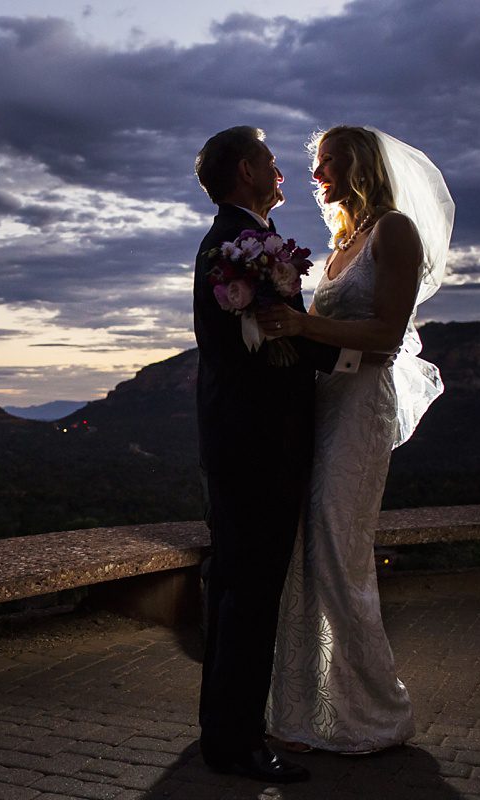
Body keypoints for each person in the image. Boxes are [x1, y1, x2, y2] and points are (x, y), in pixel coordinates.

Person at [259, 125, 454, 754]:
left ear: (359, 165)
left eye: (328, 163)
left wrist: (299, 321)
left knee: (340, 548)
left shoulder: (393, 231)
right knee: (310, 545)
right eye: (316, 164)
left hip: (363, 405)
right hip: (326, 403)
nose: (317, 175)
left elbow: (387, 334)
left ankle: (376, 711)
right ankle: (315, 705)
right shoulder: (346, 240)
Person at [192, 126, 363, 783]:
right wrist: (362, 356)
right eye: (269, 161)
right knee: (250, 595)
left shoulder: (236, 241)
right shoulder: (240, 248)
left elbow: (275, 338)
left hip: (239, 442)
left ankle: (222, 734)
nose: (281, 170)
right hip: (258, 448)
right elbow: (279, 344)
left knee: (236, 590)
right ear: (245, 171)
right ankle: (238, 746)